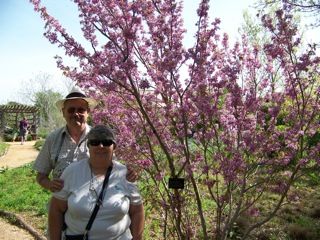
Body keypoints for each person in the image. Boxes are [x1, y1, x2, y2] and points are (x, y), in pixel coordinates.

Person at [49, 125, 144, 240]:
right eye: (95, 142)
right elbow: (56, 209)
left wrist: (137, 238)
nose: (100, 146)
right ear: (88, 146)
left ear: (114, 147)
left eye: (106, 142)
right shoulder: (72, 171)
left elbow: (137, 210)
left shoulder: (125, 174)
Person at [33, 86, 136, 193]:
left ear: (88, 112)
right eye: (71, 110)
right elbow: (41, 176)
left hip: (94, 204)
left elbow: (114, 170)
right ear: (63, 112)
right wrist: (49, 184)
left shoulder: (100, 138)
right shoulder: (53, 139)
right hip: (61, 205)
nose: (76, 114)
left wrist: (127, 175)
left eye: (81, 110)